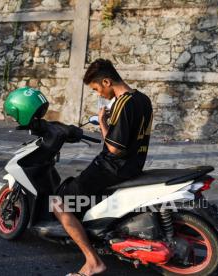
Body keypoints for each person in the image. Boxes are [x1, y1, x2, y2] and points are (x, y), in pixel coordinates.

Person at [53, 59, 153, 276]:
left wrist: (103, 123)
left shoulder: (123, 103)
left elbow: (115, 149)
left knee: (59, 203)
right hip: (135, 164)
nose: (98, 93)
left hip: (113, 167)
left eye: (97, 89)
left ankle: (92, 262)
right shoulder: (143, 99)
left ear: (107, 81)